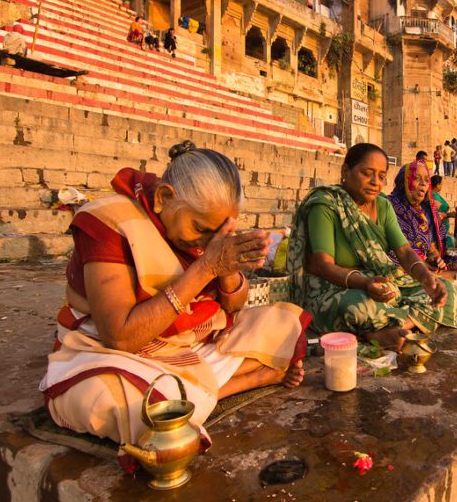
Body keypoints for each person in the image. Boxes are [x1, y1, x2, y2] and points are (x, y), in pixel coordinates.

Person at [40, 141, 309, 452]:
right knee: (128, 404)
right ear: (164, 198)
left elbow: (234, 308)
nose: (205, 242)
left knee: (283, 326)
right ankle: (248, 380)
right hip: (113, 353)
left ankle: (194, 393)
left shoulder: (205, 228)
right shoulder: (111, 221)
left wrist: (228, 267)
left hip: (187, 342)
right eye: (200, 228)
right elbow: (121, 337)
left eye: (216, 233)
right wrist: (206, 267)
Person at [287, 143, 457, 351]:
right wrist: (365, 283)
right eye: (367, 173)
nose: (375, 182)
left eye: (381, 176)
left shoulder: (383, 206)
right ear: (345, 171)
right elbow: (323, 265)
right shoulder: (325, 205)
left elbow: (404, 251)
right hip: (336, 289)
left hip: (381, 284)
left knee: (446, 289)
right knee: (358, 306)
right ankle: (379, 330)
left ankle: (399, 326)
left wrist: (425, 278)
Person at [389, 161, 457, 285]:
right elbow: (396, 248)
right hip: (407, 264)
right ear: (404, 182)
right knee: (393, 266)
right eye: (417, 178)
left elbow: (437, 246)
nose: (423, 183)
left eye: (426, 179)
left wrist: (435, 257)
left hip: (433, 266)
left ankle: (438, 278)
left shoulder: (430, 209)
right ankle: (437, 279)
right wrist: (422, 262)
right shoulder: (391, 205)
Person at [430, 175, 455, 249]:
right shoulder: (433, 196)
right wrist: (448, 215)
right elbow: (435, 213)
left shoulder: (435, 194)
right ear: (437, 185)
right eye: (441, 184)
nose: (442, 186)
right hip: (438, 231)